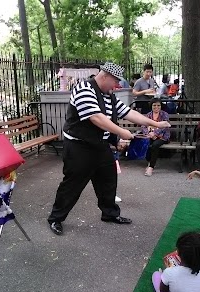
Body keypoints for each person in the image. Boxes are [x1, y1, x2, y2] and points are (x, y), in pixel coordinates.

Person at [47, 62, 171, 235]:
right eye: (115, 81)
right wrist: (122, 132)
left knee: (108, 180)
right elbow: (96, 118)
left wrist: (155, 123)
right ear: (104, 76)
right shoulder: (84, 89)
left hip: (100, 146)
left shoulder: (109, 95)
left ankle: (110, 213)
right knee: (72, 185)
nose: (116, 85)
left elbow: (129, 113)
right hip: (79, 147)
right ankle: (56, 218)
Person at [141, 99, 170, 176]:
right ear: (151, 106)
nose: (156, 107)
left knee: (155, 145)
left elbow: (164, 127)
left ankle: (151, 167)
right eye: (154, 105)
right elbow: (143, 126)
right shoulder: (148, 115)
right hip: (150, 136)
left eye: (158, 105)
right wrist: (149, 133)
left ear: (161, 106)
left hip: (162, 137)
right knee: (146, 144)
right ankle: (149, 161)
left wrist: (155, 133)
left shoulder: (164, 114)